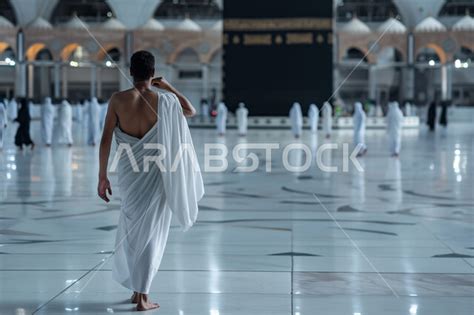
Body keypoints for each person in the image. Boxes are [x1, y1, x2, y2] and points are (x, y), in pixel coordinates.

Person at [98, 50, 204, 311]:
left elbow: (105, 139)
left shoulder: (117, 100)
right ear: (152, 71)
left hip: (129, 173)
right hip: (155, 174)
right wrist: (167, 85)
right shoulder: (165, 101)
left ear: (131, 71)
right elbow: (190, 111)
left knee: (133, 229)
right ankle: (142, 296)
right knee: (152, 233)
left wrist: (102, 176)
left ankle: (137, 290)